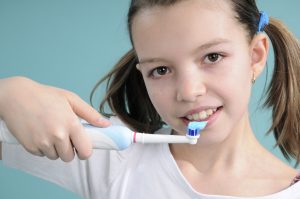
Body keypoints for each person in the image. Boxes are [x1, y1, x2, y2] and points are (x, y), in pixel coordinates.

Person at [1, 0, 300, 198]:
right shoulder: (111, 157)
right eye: (161, 69)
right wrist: (10, 93)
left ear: (256, 56)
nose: (188, 91)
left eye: (212, 56)